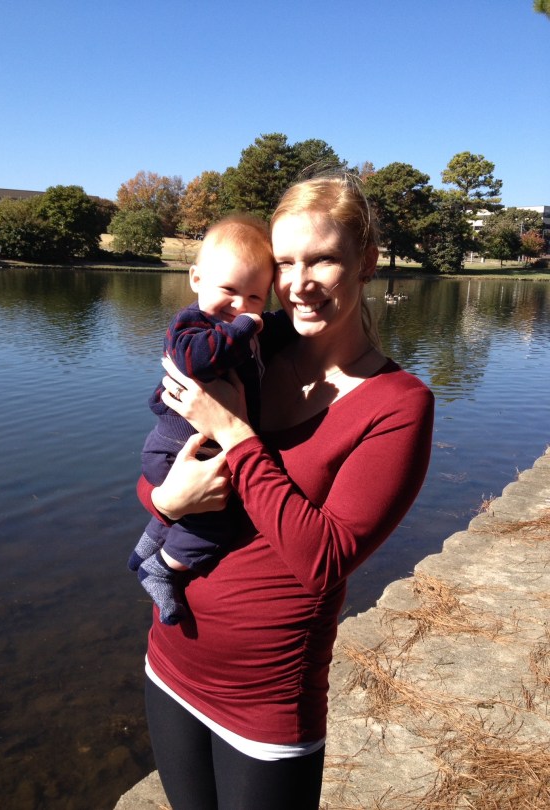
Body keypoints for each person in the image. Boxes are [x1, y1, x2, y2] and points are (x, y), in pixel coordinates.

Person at [135, 174, 435, 810]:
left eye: (322, 259)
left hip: (266, 699)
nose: (300, 283)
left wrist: (235, 435)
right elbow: (161, 462)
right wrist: (165, 504)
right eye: (286, 263)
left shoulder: (398, 404)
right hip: (172, 658)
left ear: (367, 262)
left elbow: (324, 559)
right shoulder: (249, 342)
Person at [128, 214, 294, 625]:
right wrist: (245, 326)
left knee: (192, 508)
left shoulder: (242, 329)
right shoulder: (191, 324)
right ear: (196, 279)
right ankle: (162, 568)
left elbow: (275, 328)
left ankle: (145, 548)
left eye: (255, 297)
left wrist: (286, 322)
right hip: (176, 449)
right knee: (218, 521)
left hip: (194, 450)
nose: (239, 306)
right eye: (229, 290)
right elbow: (195, 360)